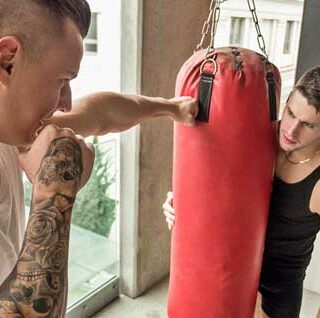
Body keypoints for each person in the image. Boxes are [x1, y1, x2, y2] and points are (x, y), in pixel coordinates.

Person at [0, 0, 198, 317]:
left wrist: (171, 107)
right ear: (8, 60)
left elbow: (99, 112)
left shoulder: (10, 125)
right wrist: (56, 185)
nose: (65, 104)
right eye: (62, 80)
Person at [163, 66, 320, 318]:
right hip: (230, 274)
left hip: (275, 293)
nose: (291, 130)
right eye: (290, 113)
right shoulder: (261, 136)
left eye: (308, 125)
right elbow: (218, 183)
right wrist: (181, 202)